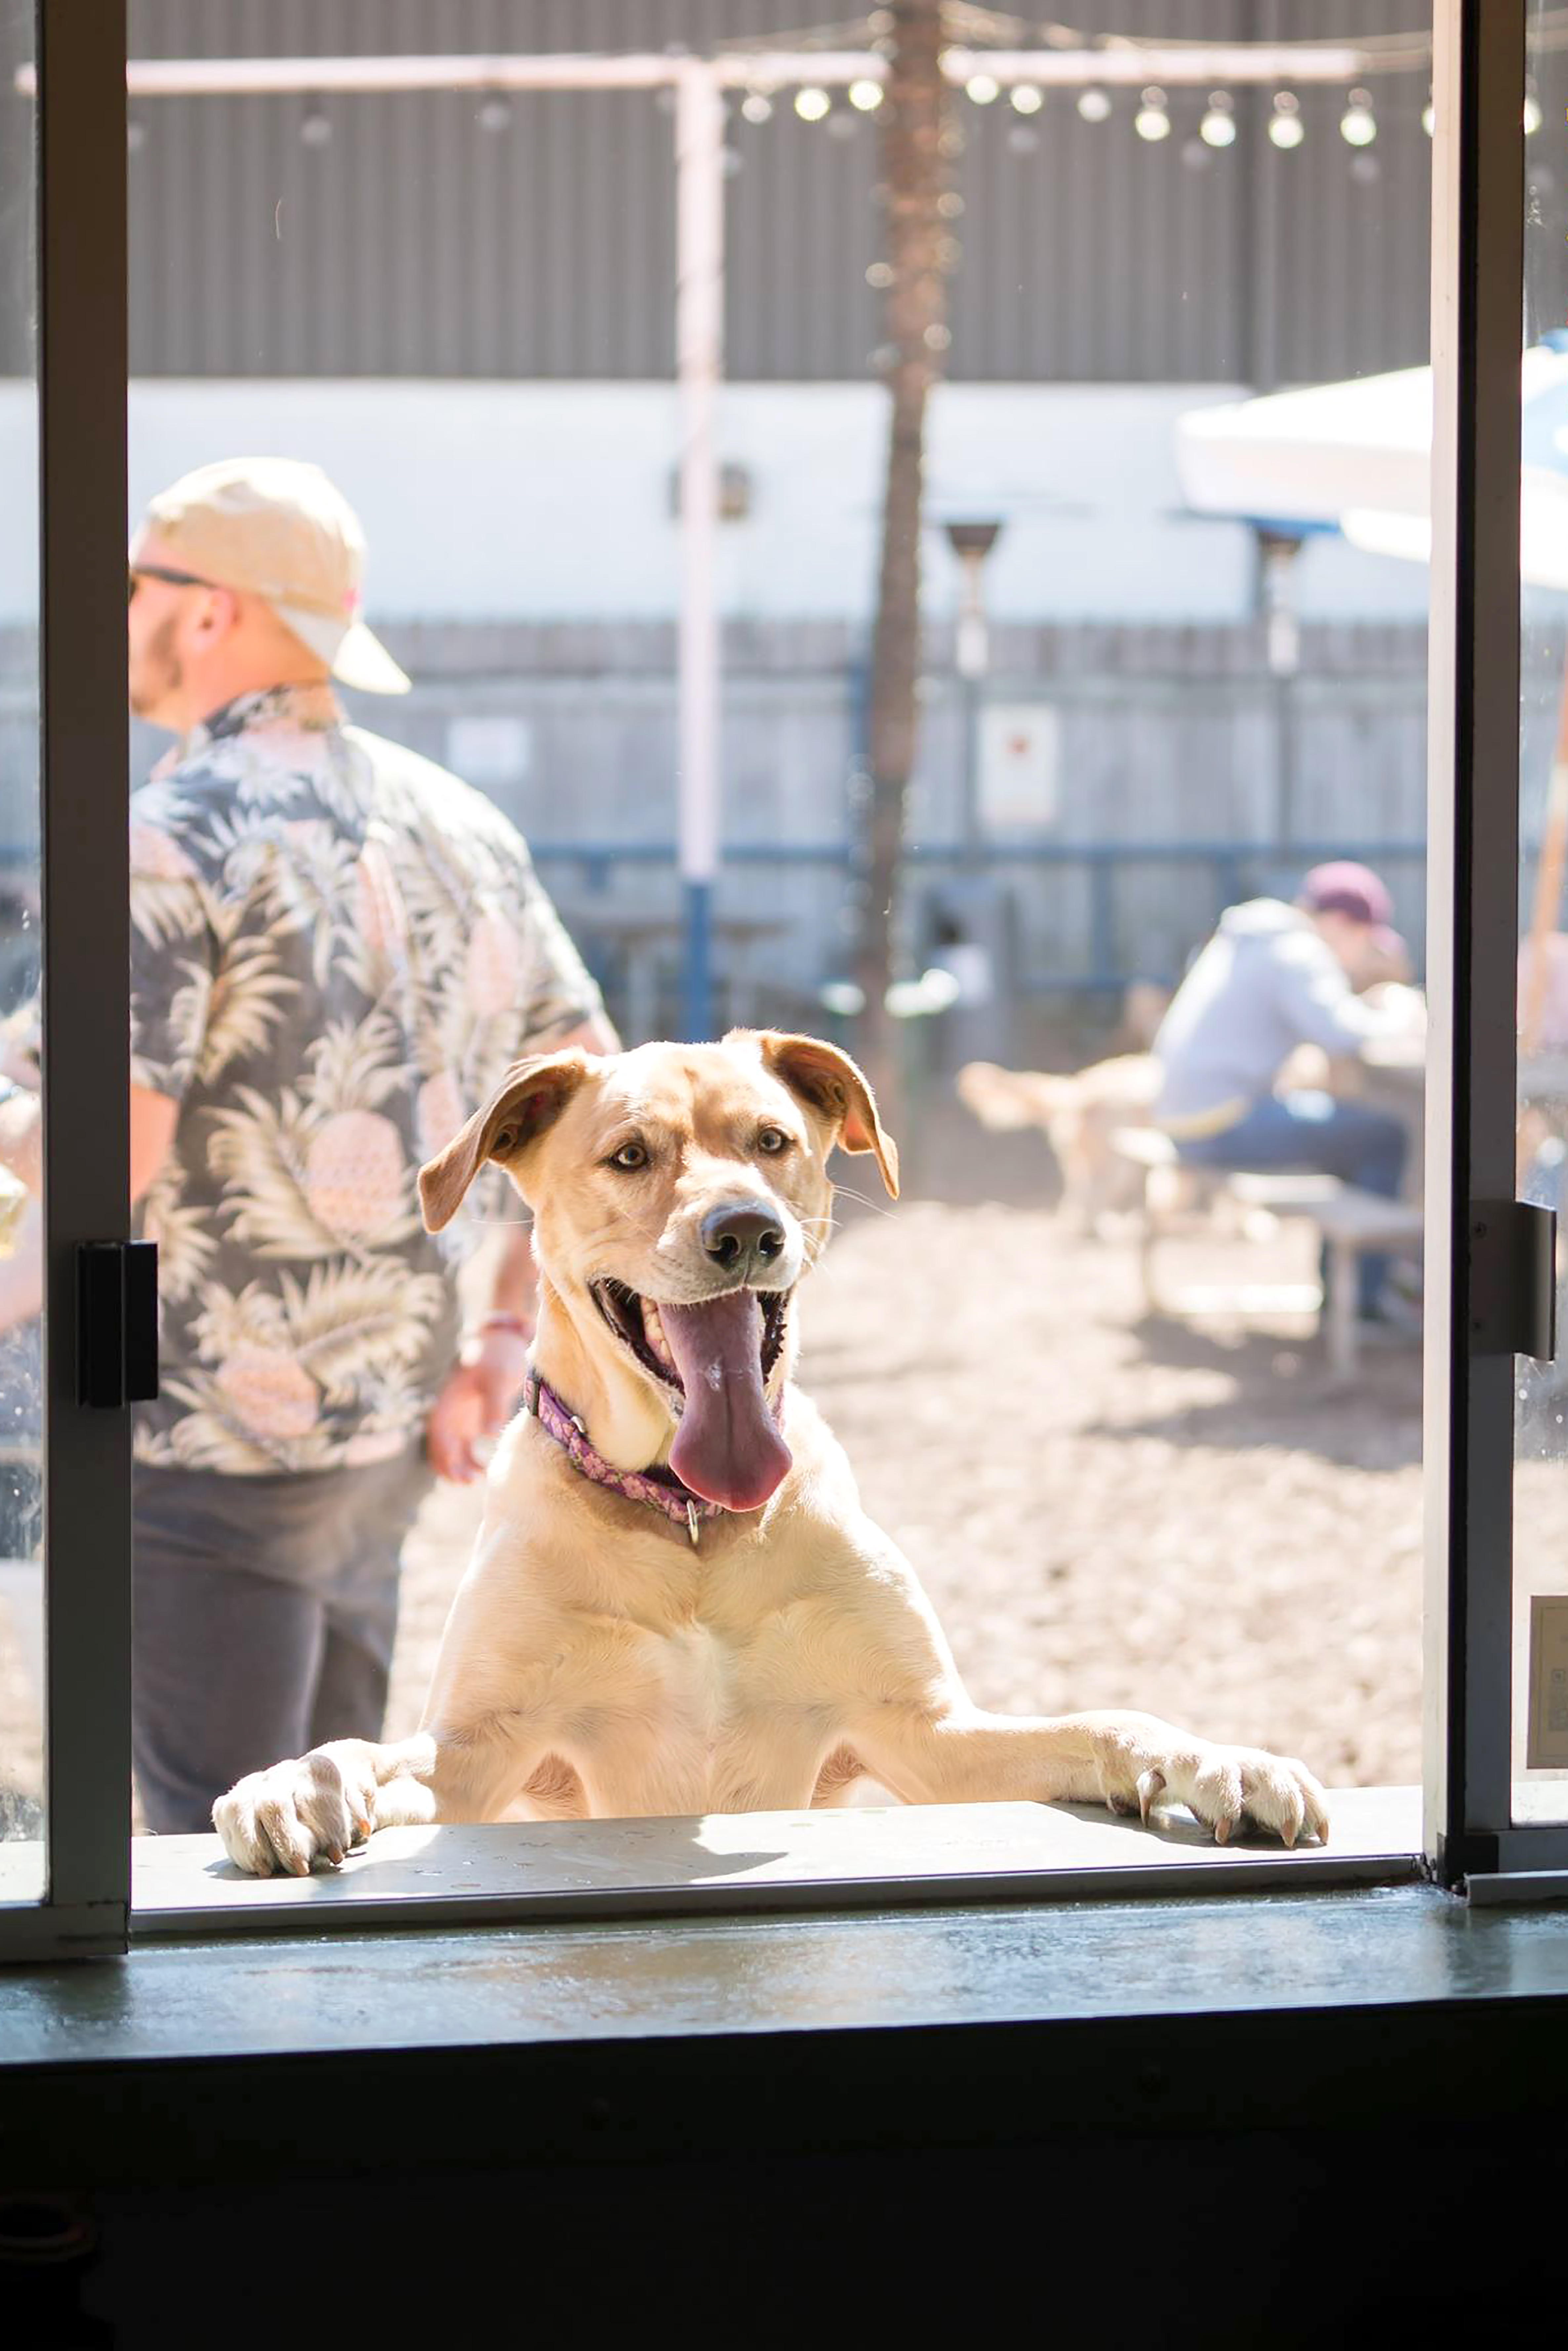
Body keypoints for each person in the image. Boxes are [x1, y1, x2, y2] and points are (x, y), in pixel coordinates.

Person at [98, 455, 616, 1831]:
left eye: (136, 585)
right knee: (333, 1830)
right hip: (405, 1415)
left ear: (208, 612)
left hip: (201, 1434)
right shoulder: (464, 825)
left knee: (220, 1852)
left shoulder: (170, 835)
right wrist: (503, 1342)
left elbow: (111, 1159)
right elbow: (591, 1101)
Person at [1151, 861, 1422, 1327]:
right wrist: (1401, 1012)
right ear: (1342, 924)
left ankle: (1347, 1288)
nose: (1362, 954)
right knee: (1385, 1136)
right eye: (1366, 938)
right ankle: (1364, 1303)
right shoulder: (1298, 950)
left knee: (1352, 1137)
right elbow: (1340, 1033)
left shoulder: (1250, 939)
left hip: (1185, 1114)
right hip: (1221, 1120)